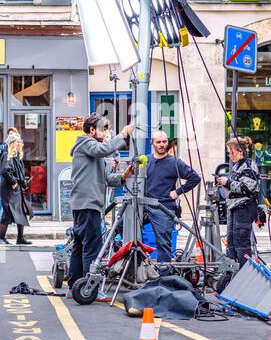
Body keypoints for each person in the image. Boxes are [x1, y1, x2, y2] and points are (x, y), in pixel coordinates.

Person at [67, 113, 134, 299]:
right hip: (87, 203)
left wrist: (123, 177)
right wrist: (122, 135)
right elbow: (103, 149)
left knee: (80, 245)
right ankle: (92, 288)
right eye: (103, 129)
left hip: (86, 203)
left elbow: (106, 179)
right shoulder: (86, 144)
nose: (106, 133)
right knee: (92, 246)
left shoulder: (93, 151)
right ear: (91, 130)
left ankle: (74, 286)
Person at [145, 131, 201, 262]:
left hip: (164, 207)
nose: (162, 145)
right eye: (158, 142)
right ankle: (139, 267)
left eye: (164, 142)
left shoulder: (174, 163)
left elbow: (195, 178)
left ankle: (163, 277)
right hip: (145, 205)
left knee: (163, 244)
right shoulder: (146, 161)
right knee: (122, 226)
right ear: (152, 143)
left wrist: (178, 192)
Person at [217, 136, 260, 268]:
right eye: (228, 153)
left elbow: (248, 187)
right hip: (234, 208)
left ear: (240, 151)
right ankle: (233, 273)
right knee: (231, 243)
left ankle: (243, 274)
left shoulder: (248, 165)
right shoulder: (238, 166)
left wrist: (228, 182)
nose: (229, 155)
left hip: (244, 209)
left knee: (241, 243)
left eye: (231, 152)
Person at [0, 133, 33, 245]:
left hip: (15, 189)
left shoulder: (16, 155)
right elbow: (5, 170)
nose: (20, 143)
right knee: (8, 213)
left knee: (21, 212)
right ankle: (1, 237)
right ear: (13, 143)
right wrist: (13, 182)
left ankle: (20, 238)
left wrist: (22, 183)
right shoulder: (7, 154)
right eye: (18, 141)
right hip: (9, 189)